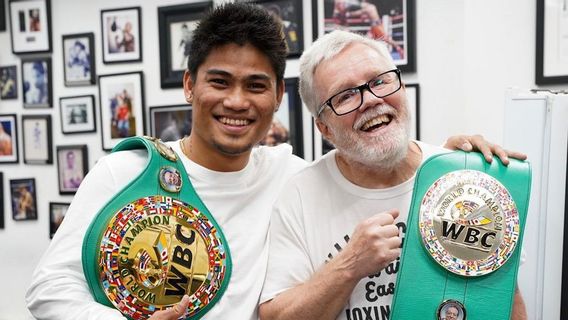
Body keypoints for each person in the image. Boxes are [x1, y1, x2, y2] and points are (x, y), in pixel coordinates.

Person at [25, 4, 521, 320]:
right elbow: (48, 287)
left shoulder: (288, 171)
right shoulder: (128, 171)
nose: (237, 101)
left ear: (276, 98)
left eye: (256, 86)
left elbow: (371, 152)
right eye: (220, 81)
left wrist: (455, 166)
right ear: (189, 85)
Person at [258, 30, 528, 320]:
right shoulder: (299, 195)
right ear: (324, 128)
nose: (371, 100)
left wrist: (470, 171)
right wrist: (349, 265)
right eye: (346, 95)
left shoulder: (460, 178)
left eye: (379, 81)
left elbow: (504, 301)